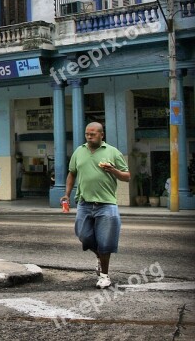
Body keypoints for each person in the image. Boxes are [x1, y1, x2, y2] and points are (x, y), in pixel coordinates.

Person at [62, 122, 130, 289]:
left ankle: (104, 276)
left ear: (101, 135)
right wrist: (67, 194)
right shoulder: (79, 151)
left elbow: (127, 176)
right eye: (87, 134)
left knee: (106, 241)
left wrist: (113, 170)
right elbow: (72, 174)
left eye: (93, 134)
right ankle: (100, 256)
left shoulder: (112, 152)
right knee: (83, 235)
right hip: (84, 203)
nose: (89, 136)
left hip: (106, 204)